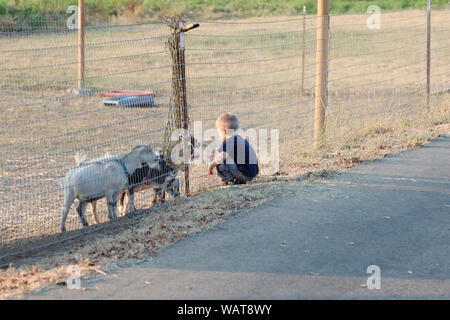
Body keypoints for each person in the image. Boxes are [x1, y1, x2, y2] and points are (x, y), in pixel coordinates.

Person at [208, 112, 258, 185]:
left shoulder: (228, 141)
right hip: (250, 174)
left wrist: (211, 166)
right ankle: (235, 179)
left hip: (244, 175)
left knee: (219, 160)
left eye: (219, 132)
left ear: (224, 131)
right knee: (219, 157)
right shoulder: (238, 139)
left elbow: (222, 156)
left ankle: (228, 180)